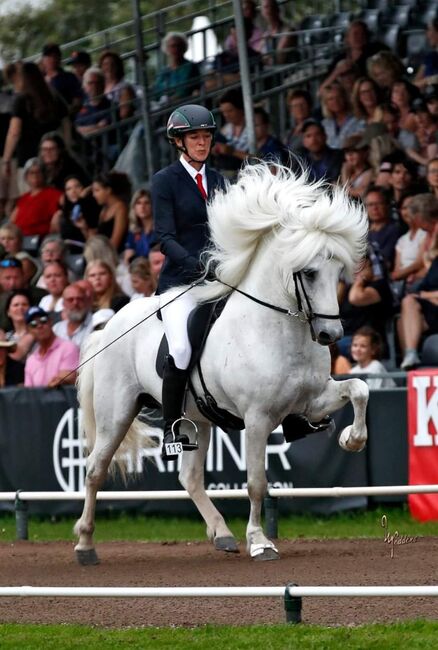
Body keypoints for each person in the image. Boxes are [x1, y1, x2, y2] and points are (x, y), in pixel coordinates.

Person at [152, 104, 225, 460]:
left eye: (207, 136)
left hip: (220, 279)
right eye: (195, 137)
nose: (202, 142)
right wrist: (197, 264)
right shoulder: (164, 181)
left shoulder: (222, 181)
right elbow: (164, 237)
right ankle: (171, 428)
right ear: (179, 141)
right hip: (180, 282)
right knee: (180, 349)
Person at [1, 61, 67, 195]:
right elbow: (66, 125)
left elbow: (14, 132)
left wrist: (6, 160)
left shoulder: (21, 100)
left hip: (27, 161)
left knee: (32, 198)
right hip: (52, 159)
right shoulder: (53, 96)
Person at [24, 305, 79, 387]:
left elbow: (69, 378)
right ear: (28, 330)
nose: (39, 326)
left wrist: (61, 380)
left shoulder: (68, 348)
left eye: (43, 320)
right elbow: (28, 392)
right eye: (33, 324)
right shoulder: (30, 360)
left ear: (50, 322)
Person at [399, 255, 438, 369]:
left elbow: (422, 293)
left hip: (432, 304)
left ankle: (410, 358)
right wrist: (429, 296)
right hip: (430, 307)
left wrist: (426, 295)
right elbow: (421, 288)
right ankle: (410, 356)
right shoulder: (436, 261)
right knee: (407, 305)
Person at [9, 157, 62, 237]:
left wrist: (59, 214)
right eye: (31, 172)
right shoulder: (23, 198)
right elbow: (11, 221)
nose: (35, 175)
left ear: (44, 174)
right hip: (18, 238)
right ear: (26, 177)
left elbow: (66, 208)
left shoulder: (54, 194)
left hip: (39, 239)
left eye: (38, 172)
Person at [153, 32, 201, 104]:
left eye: (179, 46)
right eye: (173, 46)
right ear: (167, 49)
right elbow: (156, 92)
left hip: (183, 104)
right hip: (164, 106)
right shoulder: (164, 71)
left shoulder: (190, 67)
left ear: (184, 48)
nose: (176, 49)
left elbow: (185, 90)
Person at [211, 89, 250, 177]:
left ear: (240, 109)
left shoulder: (254, 127)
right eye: (223, 112)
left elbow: (258, 158)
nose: (226, 115)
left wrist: (232, 152)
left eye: (230, 111)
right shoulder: (225, 130)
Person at [92, 171, 130, 253]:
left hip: (115, 255)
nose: (94, 195)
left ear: (108, 190)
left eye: (97, 190)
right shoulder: (103, 210)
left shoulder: (120, 208)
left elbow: (116, 241)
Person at [40, 42, 83, 115]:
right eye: (49, 56)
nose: (52, 59)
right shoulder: (40, 82)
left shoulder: (69, 77)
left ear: (59, 58)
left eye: (55, 56)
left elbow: (77, 101)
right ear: (43, 59)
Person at [296, 119, 344, 184]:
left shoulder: (338, 156)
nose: (313, 139)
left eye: (317, 134)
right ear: (303, 141)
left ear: (325, 136)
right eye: (308, 136)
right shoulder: (300, 159)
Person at [365, 186, 401, 270]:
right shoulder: (361, 230)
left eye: (379, 203)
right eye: (370, 205)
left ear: (387, 205)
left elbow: (385, 262)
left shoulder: (394, 231)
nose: (375, 208)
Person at [320, 83, 365, 149]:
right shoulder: (324, 124)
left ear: (344, 98)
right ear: (326, 103)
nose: (335, 101)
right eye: (330, 99)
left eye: (338, 97)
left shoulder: (358, 119)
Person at [74, 67, 114, 136]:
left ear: (103, 85)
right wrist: (95, 127)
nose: (94, 86)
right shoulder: (80, 107)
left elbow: (102, 128)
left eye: (97, 83)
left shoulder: (112, 106)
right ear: (84, 87)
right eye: (90, 83)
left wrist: (81, 130)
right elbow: (74, 130)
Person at [98, 50, 137, 121]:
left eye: (112, 64)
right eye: (105, 64)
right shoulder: (99, 86)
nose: (109, 67)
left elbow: (124, 115)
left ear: (118, 66)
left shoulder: (125, 88)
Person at [53, 282, 93, 348]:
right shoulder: (57, 328)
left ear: (86, 301)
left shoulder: (95, 325)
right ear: (63, 304)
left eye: (79, 299)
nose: (75, 303)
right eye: (70, 300)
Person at [123, 189, 155, 264]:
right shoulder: (133, 231)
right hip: (139, 270)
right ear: (134, 207)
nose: (142, 207)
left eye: (146, 203)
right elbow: (128, 259)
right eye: (138, 203)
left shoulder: (161, 229)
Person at [340, 134, 373, 199]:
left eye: (354, 151)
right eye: (347, 152)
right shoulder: (348, 170)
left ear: (365, 153)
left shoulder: (369, 173)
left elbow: (362, 194)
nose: (350, 155)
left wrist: (345, 174)